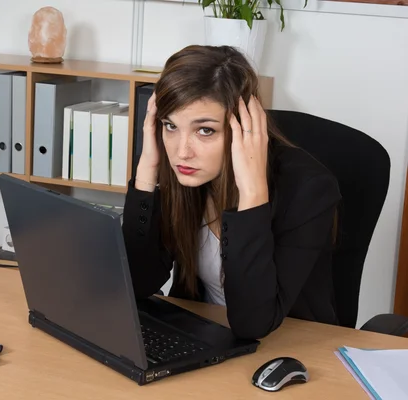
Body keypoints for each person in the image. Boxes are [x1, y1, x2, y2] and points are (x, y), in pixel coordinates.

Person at [122, 45, 342, 340]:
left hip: (288, 347)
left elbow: (253, 324)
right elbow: (136, 285)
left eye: (205, 130)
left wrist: (252, 194)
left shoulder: (308, 189)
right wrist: (147, 170)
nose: (182, 151)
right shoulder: (183, 174)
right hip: (203, 334)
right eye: (170, 125)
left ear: (243, 128)